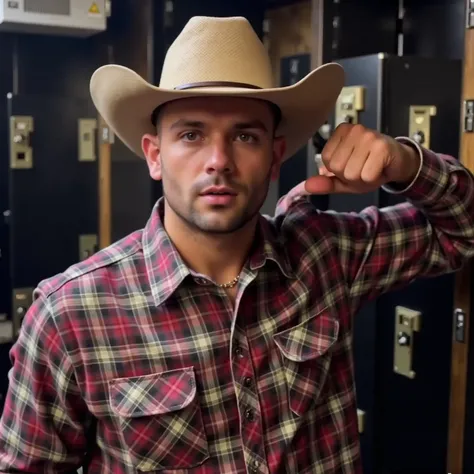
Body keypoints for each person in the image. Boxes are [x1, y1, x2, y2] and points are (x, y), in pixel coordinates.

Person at [0, 15, 473, 474]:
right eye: (191, 134)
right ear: (155, 155)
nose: (219, 161)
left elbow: (462, 233)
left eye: (245, 135)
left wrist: (407, 165)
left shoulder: (325, 255)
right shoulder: (70, 316)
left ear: (274, 158)